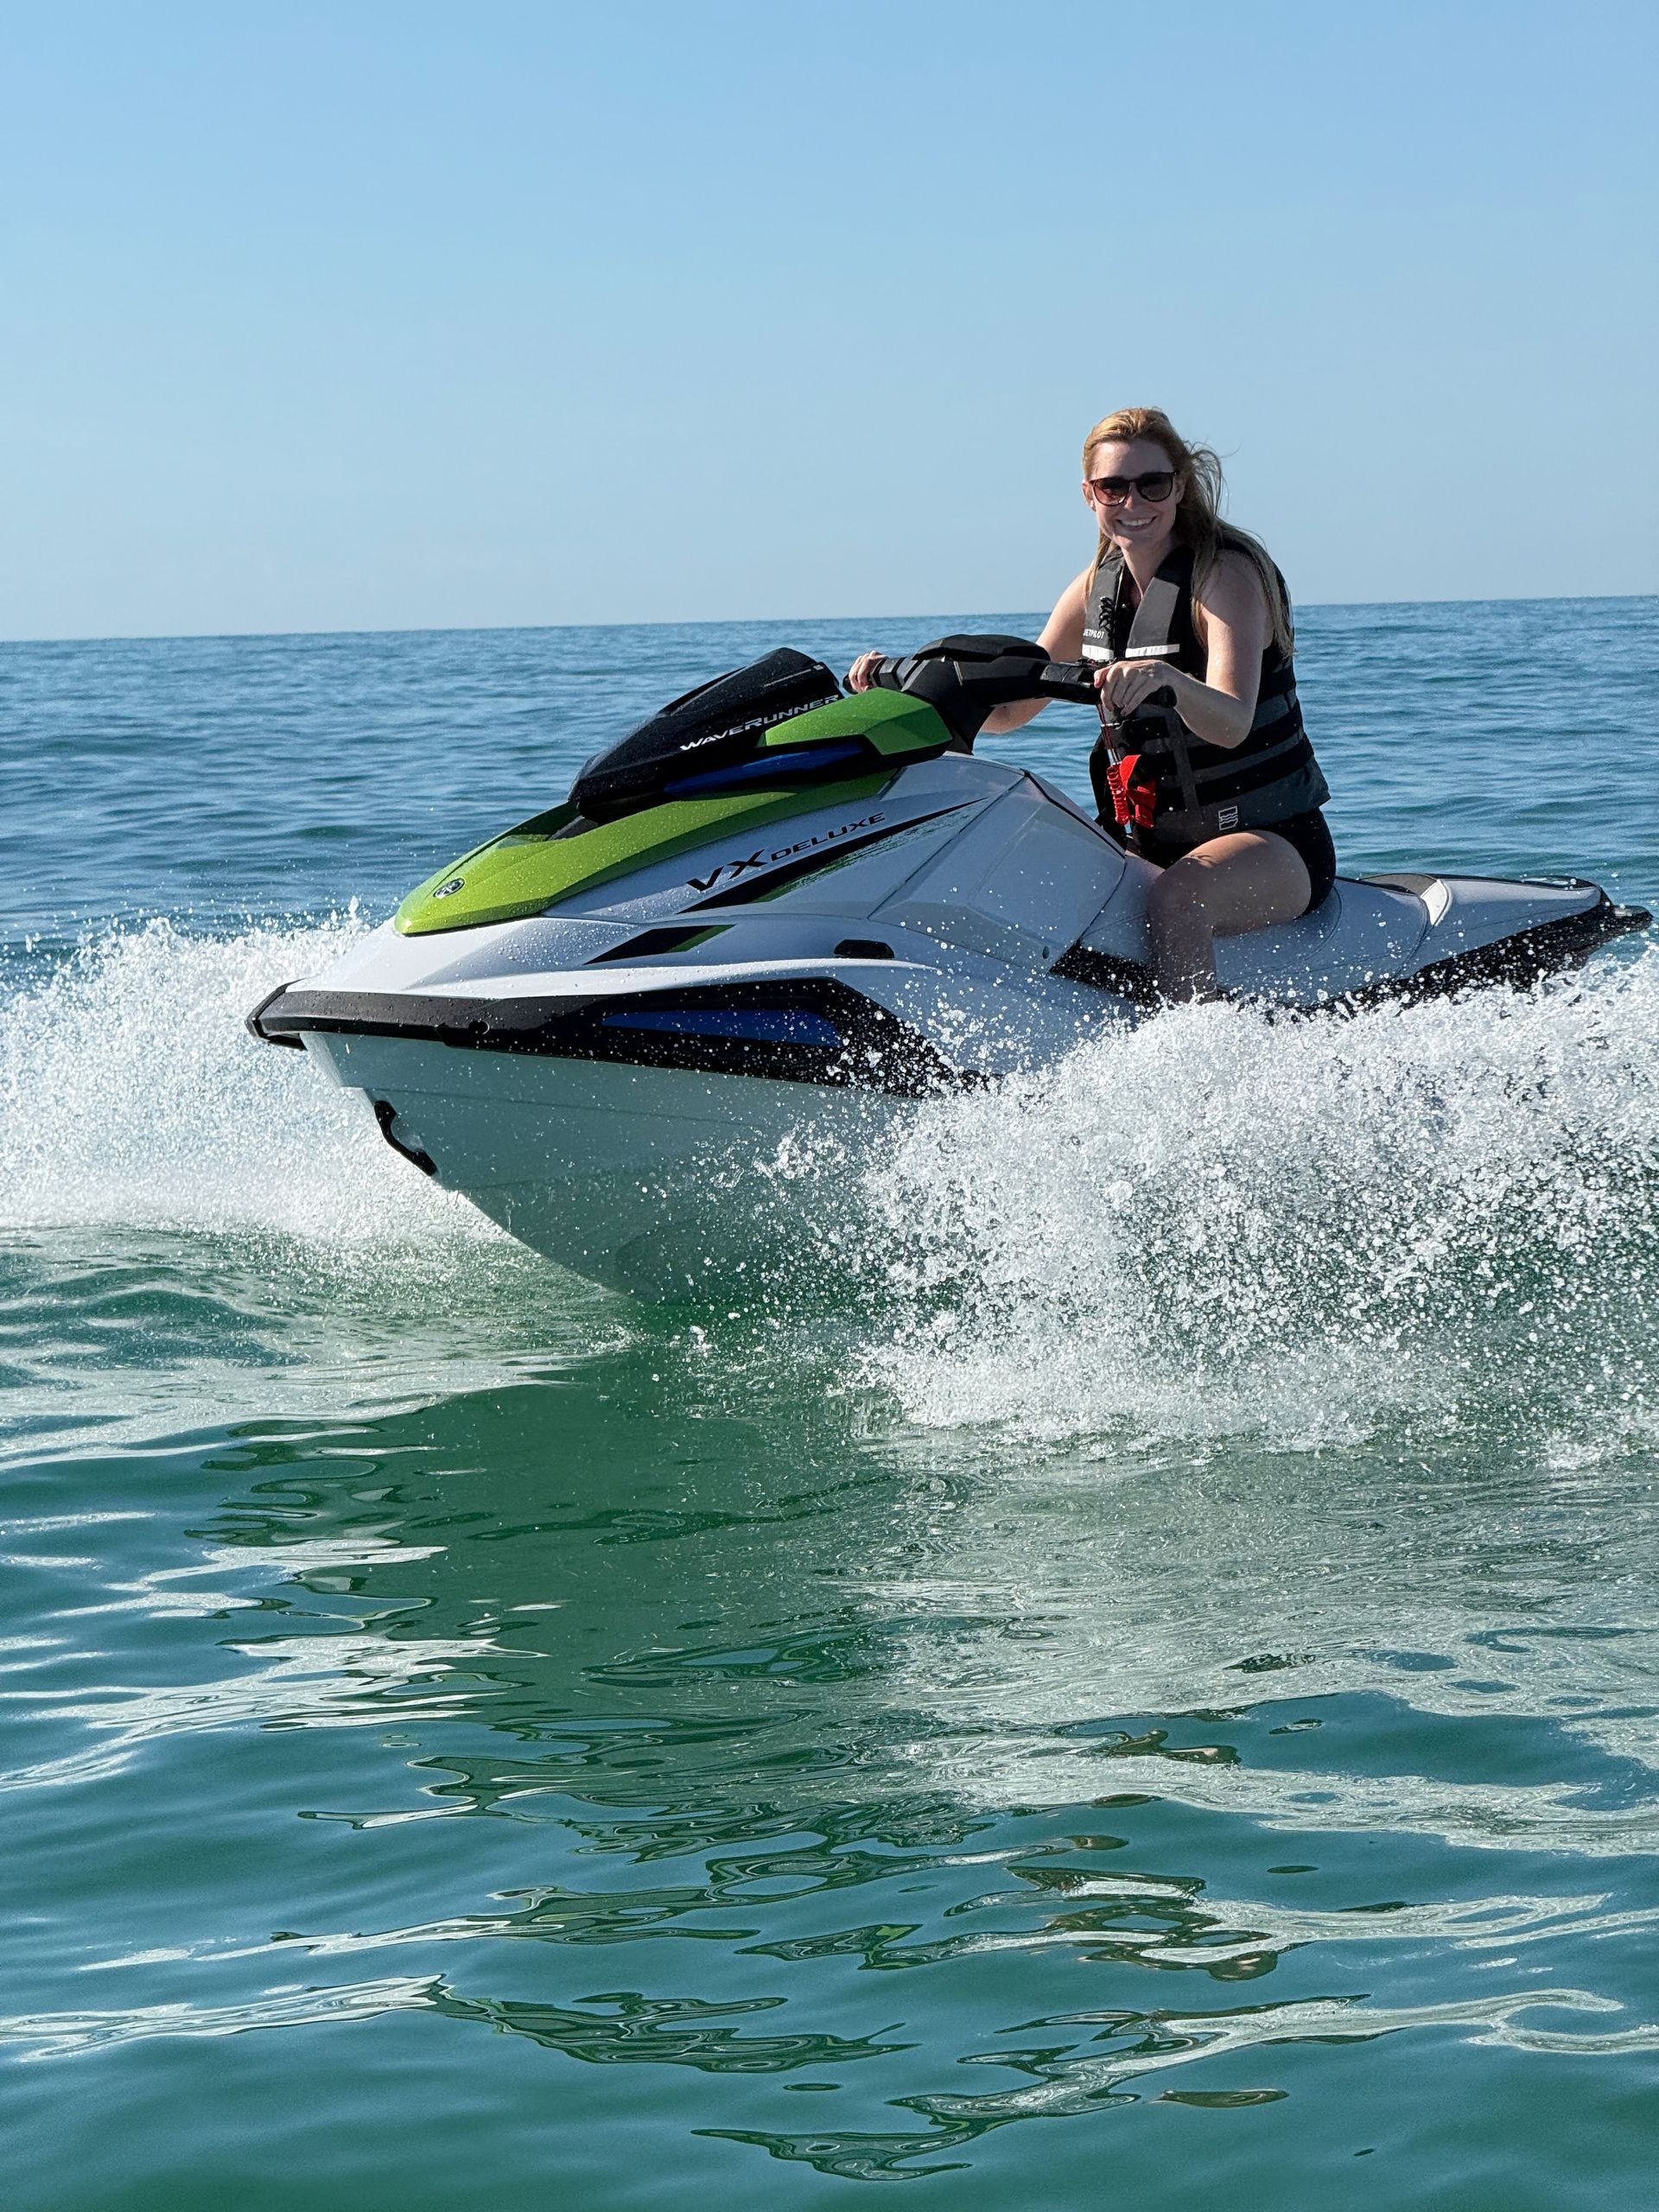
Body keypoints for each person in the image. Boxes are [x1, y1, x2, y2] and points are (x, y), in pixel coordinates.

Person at [848, 406, 1333, 999]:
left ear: (1178, 486)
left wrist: (1170, 681)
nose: (1133, 502)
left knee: (1177, 898)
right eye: (1113, 487)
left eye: (1151, 484)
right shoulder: (1093, 590)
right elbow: (1012, 713)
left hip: (1273, 838)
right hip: (1150, 839)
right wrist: (900, 692)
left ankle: (1204, 1069)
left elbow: (1232, 720)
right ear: (1090, 495)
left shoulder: (1223, 576)